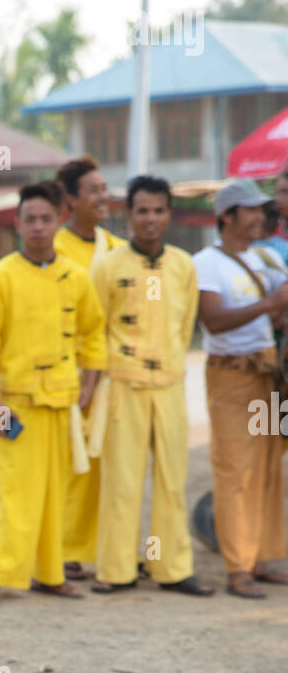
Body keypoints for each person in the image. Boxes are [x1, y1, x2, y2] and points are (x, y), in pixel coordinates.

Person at [0, 180, 106, 604]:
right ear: (18, 223)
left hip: (63, 400)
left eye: (47, 219)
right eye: (31, 219)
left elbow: (93, 334)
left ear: (60, 220)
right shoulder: (0, 276)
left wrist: (88, 386)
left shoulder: (75, 276)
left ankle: (51, 573)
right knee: (14, 492)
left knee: (54, 491)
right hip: (17, 402)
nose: (39, 227)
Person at [90, 175, 213, 596]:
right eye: (142, 210)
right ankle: (116, 569)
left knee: (171, 482)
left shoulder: (183, 265)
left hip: (170, 386)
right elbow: (95, 327)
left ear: (168, 215)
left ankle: (171, 569)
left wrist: (169, 365)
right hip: (123, 386)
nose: (150, 218)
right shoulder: (108, 266)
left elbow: (185, 326)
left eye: (158, 210)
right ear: (129, 213)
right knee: (121, 483)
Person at [193, 179, 288, 598]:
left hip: (266, 374)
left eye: (262, 210)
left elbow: (275, 317)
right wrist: (270, 305)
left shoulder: (266, 257)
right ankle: (237, 568)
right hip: (229, 376)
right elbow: (213, 320)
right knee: (234, 471)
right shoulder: (207, 262)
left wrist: (275, 316)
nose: (259, 217)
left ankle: (260, 558)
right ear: (226, 215)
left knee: (267, 469)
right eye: (250, 210)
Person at [54, 155, 126, 581]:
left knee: (99, 465)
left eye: (105, 188)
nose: (104, 197)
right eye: (94, 190)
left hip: (111, 374)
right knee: (68, 464)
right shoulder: (55, 249)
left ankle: (89, 547)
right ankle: (58, 550)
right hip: (68, 374)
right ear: (72, 200)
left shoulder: (116, 248)